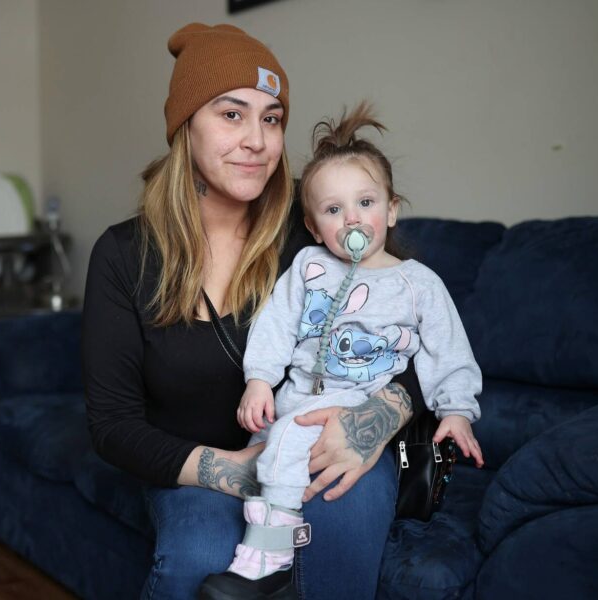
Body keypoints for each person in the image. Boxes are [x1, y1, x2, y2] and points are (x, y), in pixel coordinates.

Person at [84, 23, 458, 600]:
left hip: (328, 434)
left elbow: (418, 327)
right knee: (199, 556)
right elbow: (112, 426)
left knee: (342, 512)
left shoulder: (317, 219)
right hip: (198, 462)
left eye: (272, 118)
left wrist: (376, 419)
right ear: (185, 126)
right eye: (231, 114)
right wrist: (239, 471)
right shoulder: (124, 255)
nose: (257, 140)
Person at [199, 104, 484, 598]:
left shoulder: (418, 285)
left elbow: (449, 351)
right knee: (262, 455)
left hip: (354, 403)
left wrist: (457, 410)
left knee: (284, 447)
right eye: (333, 210)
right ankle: (277, 539)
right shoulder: (309, 266)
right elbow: (276, 325)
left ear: (391, 210)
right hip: (293, 397)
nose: (352, 218)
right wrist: (259, 380)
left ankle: (269, 556)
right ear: (314, 228)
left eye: (366, 202)